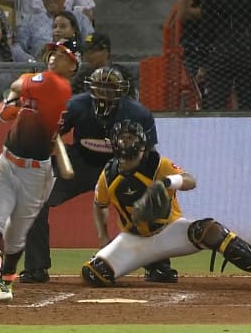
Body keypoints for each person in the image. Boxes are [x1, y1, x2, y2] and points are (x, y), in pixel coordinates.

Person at [81, 119, 251, 291]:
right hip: (134, 239)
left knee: (210, 231)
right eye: (124, 138)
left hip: (169, 230)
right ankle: (157, 268)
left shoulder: (156, 163)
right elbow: (99, 204)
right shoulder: (108, 175)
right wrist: (103, 237)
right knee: (94, 272)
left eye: (133, 138)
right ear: (115, 143)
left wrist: (168, 182)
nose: (129, 143)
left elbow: (190, 180)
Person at [20, 66, 179, 285]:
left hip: (121, 166)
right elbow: (50, 134)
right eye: (100, 88)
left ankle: (159, 266)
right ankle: (35, 268)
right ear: (90, 89)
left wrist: (143, 185)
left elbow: (148, 154)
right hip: (80, 163)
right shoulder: (75, 106)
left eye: (110, 88)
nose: (104, 94)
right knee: (35, 201)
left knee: (148, 204)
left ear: (121, 90)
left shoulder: (138, 113)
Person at [0, 38, 77, 303]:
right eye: (53, 52)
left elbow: (17, 86)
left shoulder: (57, 85)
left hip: (36, 173)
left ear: (73, 66)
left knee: (16, 235)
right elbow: (3, 113)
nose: (54, 57)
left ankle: (6, 279)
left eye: (63, 55)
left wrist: (15, 104)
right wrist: (14, 107)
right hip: (7, 161)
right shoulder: (41, 81)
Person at [196, 0, 251, 110]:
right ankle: (249, 128)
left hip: (221, 49)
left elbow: (206, 31)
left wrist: (203, 63)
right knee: (249, 104)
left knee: (216, 102)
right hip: (246, 48)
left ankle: (216, 127)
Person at [15, 0, 92, 58]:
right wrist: (30, 61)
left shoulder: (79, 17)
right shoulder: (30, 20)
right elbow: (18, 45)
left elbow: (90, 38)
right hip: (38, 63)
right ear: (42, 0)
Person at [70, 32, 137, 98]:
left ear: (106, 52)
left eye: (92, 52)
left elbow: (130, 98)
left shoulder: (122, 73)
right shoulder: (83, 76)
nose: (88, 56)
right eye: (86, 51)